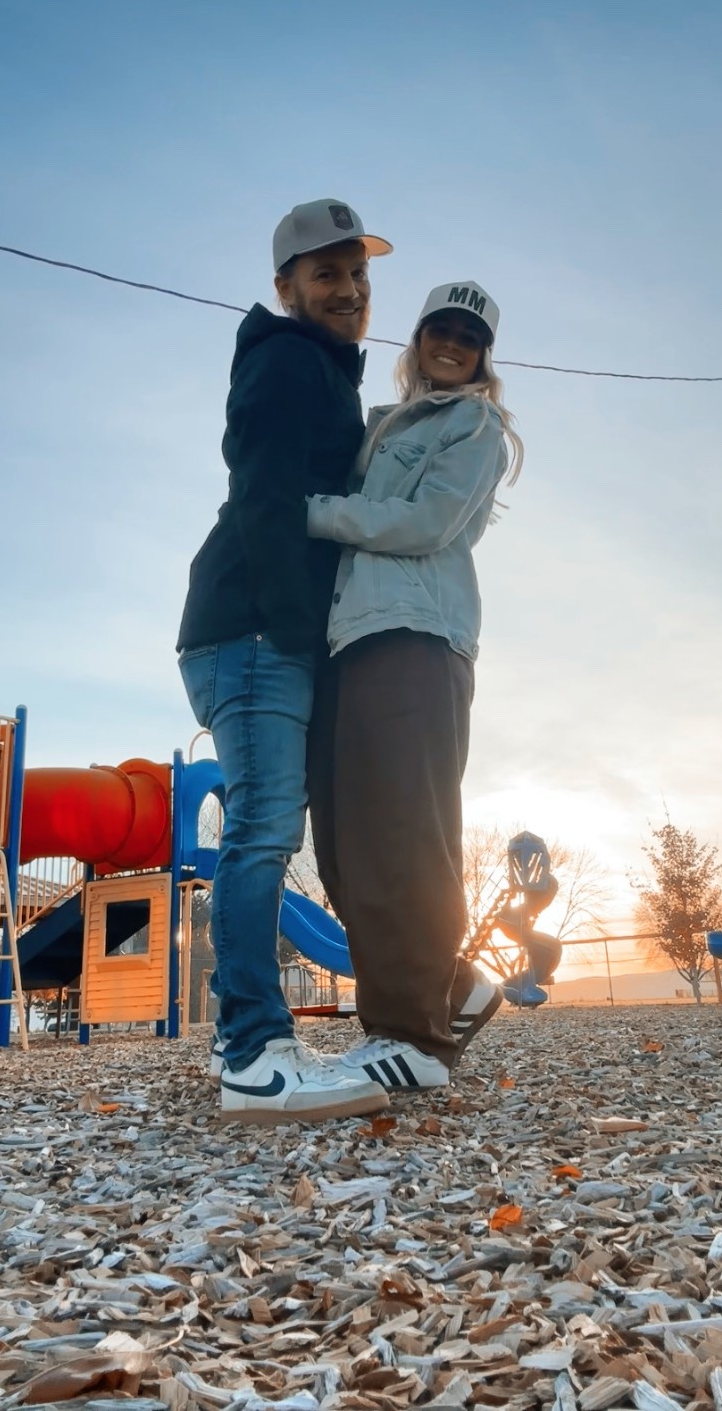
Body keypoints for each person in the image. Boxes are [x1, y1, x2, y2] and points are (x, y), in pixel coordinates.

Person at [176, 198, 394, 1124]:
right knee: (263, 828)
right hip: (254, 628)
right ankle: (252, 1055)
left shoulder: (321, 369)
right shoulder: (284, 362)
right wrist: (302, 629)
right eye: (325, 274)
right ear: (286, 287)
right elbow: (264, 500)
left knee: (274, 826)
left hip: (258, 628)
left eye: (357, 273)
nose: (347, 289)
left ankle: (261, 1042)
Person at [306, 281, 524, 1090]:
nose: (454, 344)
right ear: (420, 336)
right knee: (339, 838)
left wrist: (316, 513)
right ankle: (454, 985)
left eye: (470, 338)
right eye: (443, 329)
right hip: (349, 636)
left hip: (417, 637)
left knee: (402, 829)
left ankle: (411, 1037)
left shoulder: (475, 425)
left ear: (483, 357)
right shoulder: (385, 425)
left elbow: (426, 523)